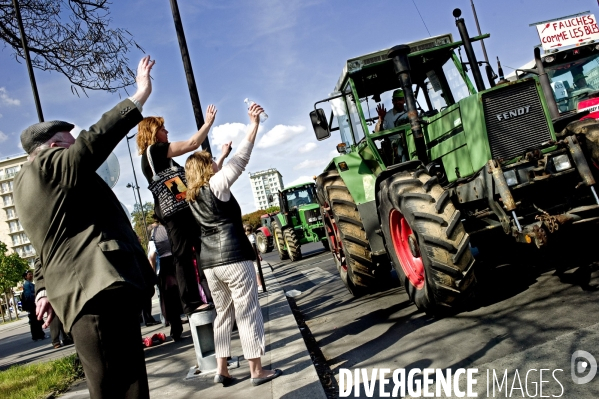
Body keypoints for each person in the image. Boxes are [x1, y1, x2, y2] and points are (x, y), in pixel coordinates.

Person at [13, 56, 157, 399]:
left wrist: (44, 289)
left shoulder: (27, 185)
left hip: (83, 295)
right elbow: (91, 144)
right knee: (125, 386)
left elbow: (48, 244)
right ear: (53, 146)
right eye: (68, 140)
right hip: (97, 290)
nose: (74, 144)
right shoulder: (49, 166)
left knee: (111, 386)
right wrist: (138, 97)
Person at [185, 103, 282, 387]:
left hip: (210, 265)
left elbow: (222, 166)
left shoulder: (190, 197)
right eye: (211, 162)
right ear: (207, 169)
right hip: (234, 259)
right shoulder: (217, 185)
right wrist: (253, 125)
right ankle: (256, 371)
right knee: (248, 311)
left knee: (223, 316)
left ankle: (222, 370)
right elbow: (241, 161)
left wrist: (222, 155)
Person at [136, 110, 219, 315]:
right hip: (175, 211)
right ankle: (191, 302)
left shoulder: (159, 157)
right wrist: (207, 124)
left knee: (197, 250)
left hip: (179, 209)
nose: (167, 131)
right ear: (154, 133)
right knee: (183, 254)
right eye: (163, 128)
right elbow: (192, 143)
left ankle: (210, 294)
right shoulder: (155, 151)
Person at [148, 218, 184, 341]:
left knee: (169, 301)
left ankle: (176, 330)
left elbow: (152, 255)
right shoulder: (170, 227)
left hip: (164, 267)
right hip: (176, 263)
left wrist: (152, 274)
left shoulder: (154, 233)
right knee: (182, 295)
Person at [375, 89, 409, 164]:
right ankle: (406, 165)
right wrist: (381, 119)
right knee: (401, 144)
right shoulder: (387, 116)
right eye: (395, 100)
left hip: (411, 137)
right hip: (395, 144)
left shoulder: (410, 109)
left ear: (404, 100)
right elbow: (379, 135)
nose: (397, 102)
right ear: (392, 102)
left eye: (400, 99)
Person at [22, 270, 45, 341]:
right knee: (35, 321)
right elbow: (28, 295)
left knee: (36, 320)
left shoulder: (30, 284)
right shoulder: (27, 284)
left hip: (33, 305)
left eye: (31, 274)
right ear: (26, 276)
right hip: (32, 305)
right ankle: (37, 335)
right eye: (29, 274)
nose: (31, 275)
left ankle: (39, 335)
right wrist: (36, 295)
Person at [244, 224, 264, 293]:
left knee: (255, 271)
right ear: (252, 230)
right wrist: (258, 254)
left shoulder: (247, 237)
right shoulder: (252, 237)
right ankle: (260, 285)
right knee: (257, 271)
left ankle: (260, 285)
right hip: (253, 255)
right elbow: (254, 246)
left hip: (250, 256)